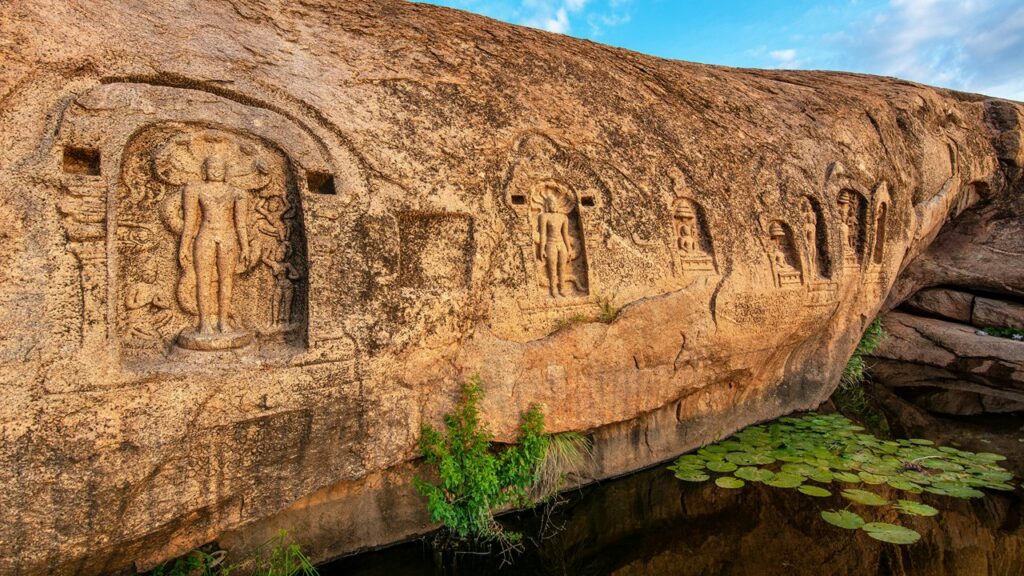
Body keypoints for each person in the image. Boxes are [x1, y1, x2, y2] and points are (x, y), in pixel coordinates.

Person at [178, 153, 252, 339]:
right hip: (205, 235)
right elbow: (190, 221)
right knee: (203, 280)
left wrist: (245, 247)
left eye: (220, 168)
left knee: (227, 281)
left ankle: (223, 321)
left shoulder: (238, 193)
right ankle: (204, 323)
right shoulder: (194, 190)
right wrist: (184, 246)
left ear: (226, 171)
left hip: (228, 237)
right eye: (212, 167)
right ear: (204, 170)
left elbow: (240, 223)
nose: (216, 171)